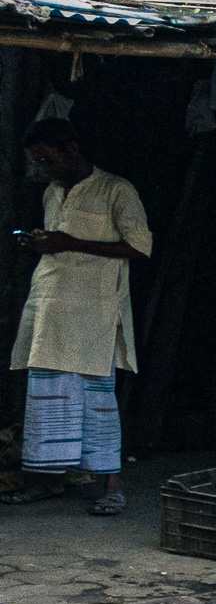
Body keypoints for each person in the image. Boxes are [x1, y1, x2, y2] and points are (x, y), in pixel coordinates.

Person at [1, 119, 151, 514]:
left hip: (94, 312)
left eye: (48, 158)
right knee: (47, 398)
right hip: (50, 303)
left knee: (95, 399)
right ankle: (46, 480)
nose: (44, 168)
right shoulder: (53, 192)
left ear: (71, 148)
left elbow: (139, 247)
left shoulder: (116, 189)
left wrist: (72, 242)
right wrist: (45, 243)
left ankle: (111, 487)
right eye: (38, 161)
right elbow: (61, 241)